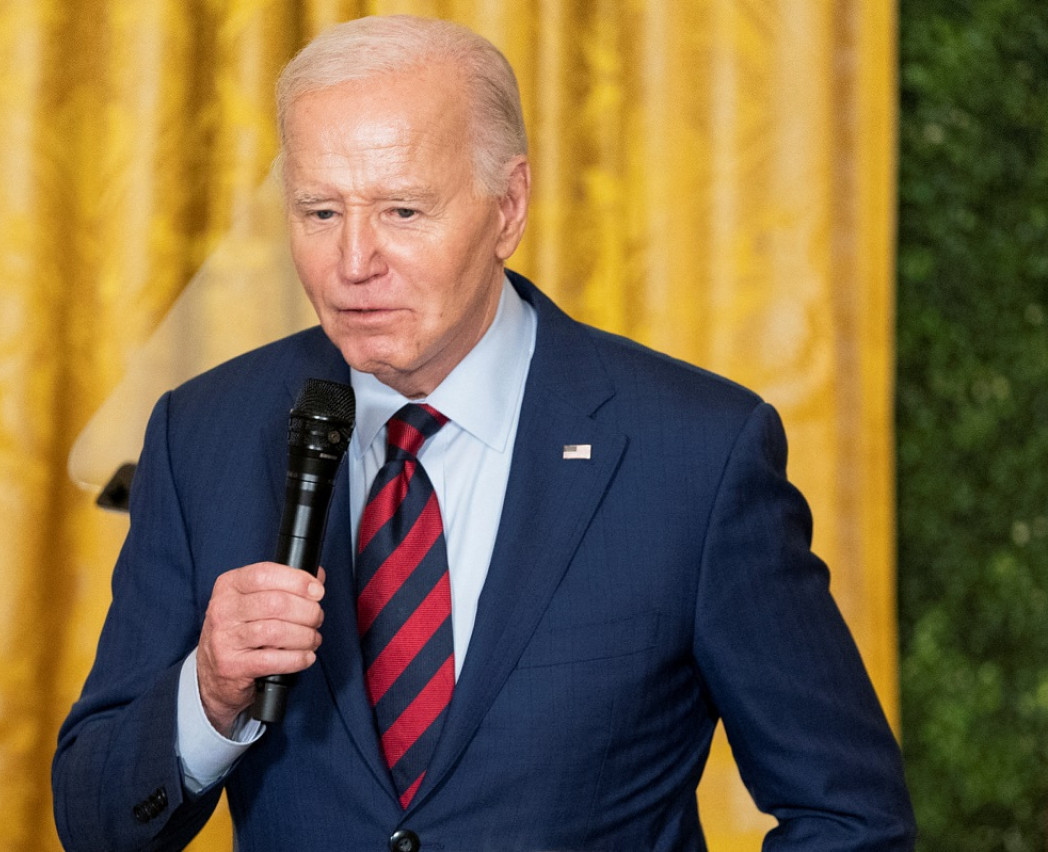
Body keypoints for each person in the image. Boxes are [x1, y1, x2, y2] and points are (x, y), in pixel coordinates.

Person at [52, 14, 914, 852]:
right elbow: (94, 823)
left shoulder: (694, 454)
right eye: (320, 213)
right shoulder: (200, 436)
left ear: (508, 207)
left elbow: (849, 817)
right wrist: (207, 696)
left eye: (402, 212)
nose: (353, 263)